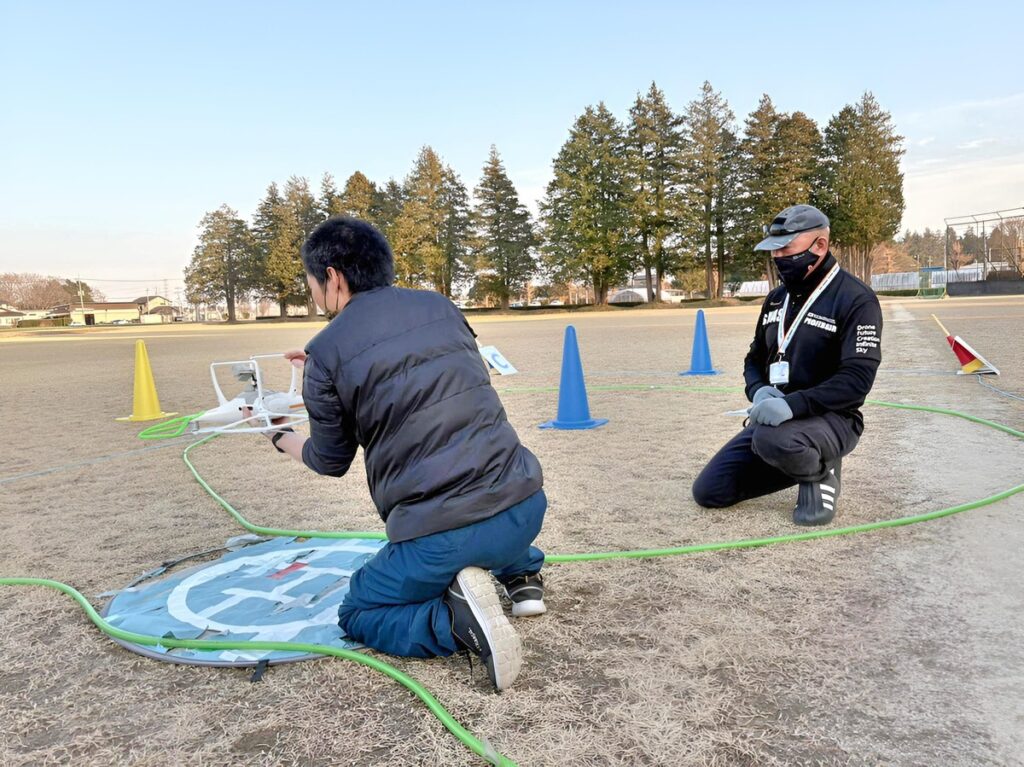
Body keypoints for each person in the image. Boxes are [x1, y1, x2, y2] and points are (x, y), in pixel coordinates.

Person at [259, 216, 546, 691]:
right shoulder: (440, 306)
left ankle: (456, 622)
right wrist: (330, 373)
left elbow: (329, 460)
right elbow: (434, 382)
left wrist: (278, 435)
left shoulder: (326, 349)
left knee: (360, 610)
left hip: (444, 535)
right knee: (477, 471)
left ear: (332, 276)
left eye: (310, 282)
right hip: (526, 503)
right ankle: (524, 576)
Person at [692, 204, 882, 525]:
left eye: (785, 249)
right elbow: (754, 357)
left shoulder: (855, 299)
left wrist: (794, 406)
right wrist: (759, 390)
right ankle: (796, 456)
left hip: (832, 419)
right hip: (778, 423)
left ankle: (821, 469)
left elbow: (856, 381)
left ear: (819, 246)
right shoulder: (776, 298)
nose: (778, 258)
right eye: (773, 251)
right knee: (710, 491)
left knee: (772, 441)